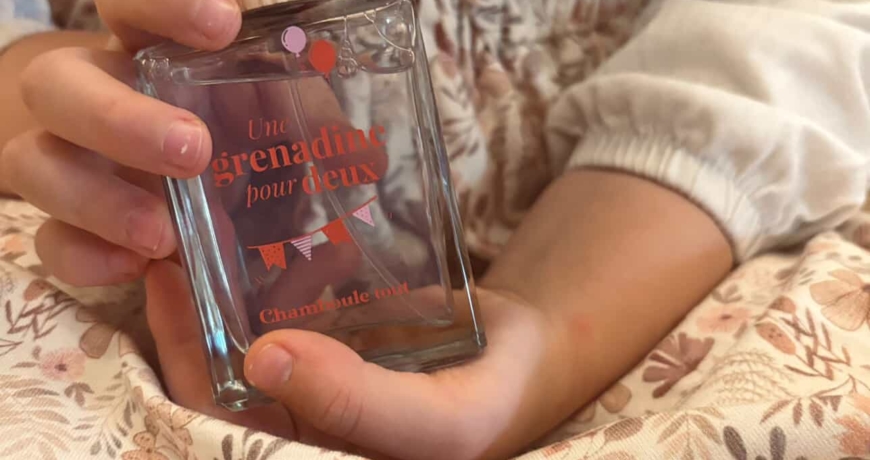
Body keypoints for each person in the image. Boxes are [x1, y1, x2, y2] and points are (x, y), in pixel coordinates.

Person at [0, 0, 868, 459]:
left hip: (637, 243)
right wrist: (75, 109)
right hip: (130, 256)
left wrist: (545, 335)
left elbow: (791, 28)